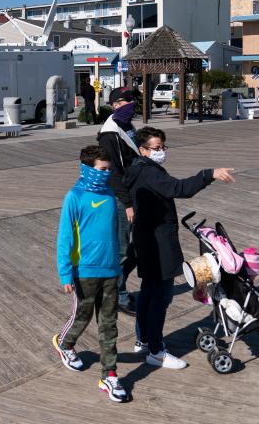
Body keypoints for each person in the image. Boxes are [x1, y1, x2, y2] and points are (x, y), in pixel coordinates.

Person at [124, 126, 235, 369]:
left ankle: (143, 340)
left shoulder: (139, 169)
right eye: (156, 148)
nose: (161, 151)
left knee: (148, 293)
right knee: (160, 298)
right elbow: (178, 189)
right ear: (142, 150)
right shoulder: (149, 173)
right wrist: (209, 174)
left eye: (163, 147)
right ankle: (156, 351)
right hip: (158, 243)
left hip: (146, 238)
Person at [52, 145, 128, 403]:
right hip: (83, 272)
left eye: (109, 169)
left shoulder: (109, 194)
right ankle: (65, 343)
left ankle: (110, 375)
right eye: (101, 169)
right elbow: (64, 239)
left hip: (110, 271)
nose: (106, 174)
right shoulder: (74, 196)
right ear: (86, 169)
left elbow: (115, 234)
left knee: (109, 325)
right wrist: (65, 274)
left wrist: (119, 266)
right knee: (82, 317)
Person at [97, 87, 140, 316]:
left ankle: (115, 288)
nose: (131, 104)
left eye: (132, 100)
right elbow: (113, 174)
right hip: (122, 198)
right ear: (114, 105)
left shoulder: (127, 126)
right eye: (125, 101)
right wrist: (128, 203)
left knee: (136, 246)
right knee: (123, 249)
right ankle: (117, 296)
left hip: (135, 194)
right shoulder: (109, 134)